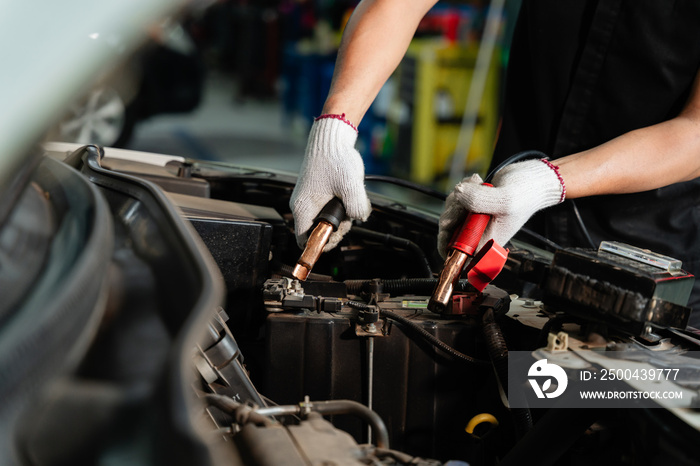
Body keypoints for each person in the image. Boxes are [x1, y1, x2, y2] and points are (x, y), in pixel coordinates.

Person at [289, 0, 700, 327]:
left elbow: (694, 132)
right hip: (503, 233)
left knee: (595, 414)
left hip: (649, 270)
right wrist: (335, 129)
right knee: (487, 403)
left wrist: (547, 182)